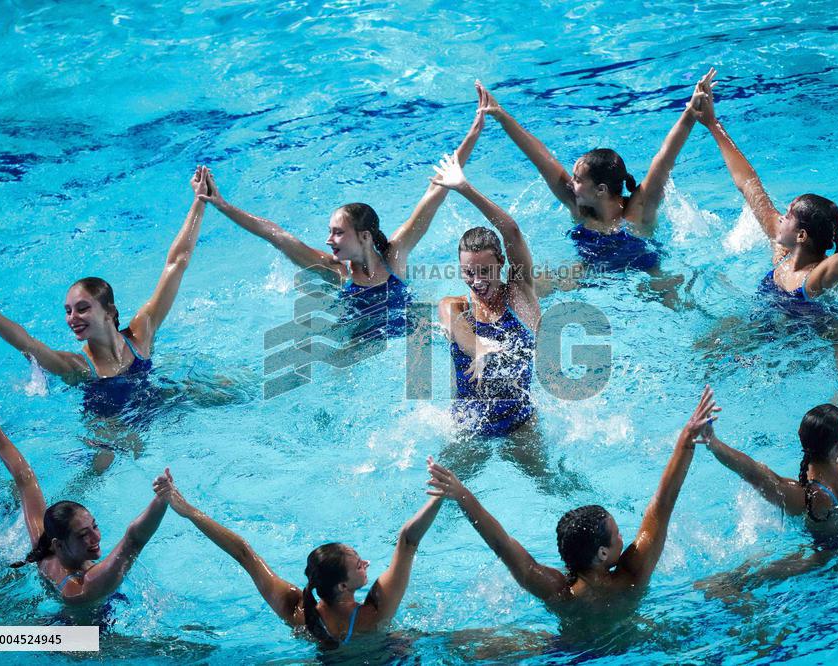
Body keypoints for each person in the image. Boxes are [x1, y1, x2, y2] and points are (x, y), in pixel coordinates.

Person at [198, 90, 487, 336]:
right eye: (330, 232)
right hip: (360, 345)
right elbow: (277, 236)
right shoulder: (335, 272)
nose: (329, 240)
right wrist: (222, 205)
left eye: (337, 232)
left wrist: (474, 132)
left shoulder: (394, 256)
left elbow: (436, 191)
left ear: (363, 236)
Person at [426, 388, 718, 609]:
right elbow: (662, 505)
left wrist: (462, 494)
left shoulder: (558, 593)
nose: (622, 538)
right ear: (603, 553)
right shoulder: (632, 577)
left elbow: (502, 545)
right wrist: (686, 441)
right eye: (616, 534)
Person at [0, 166, 210, 419]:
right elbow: (28, 345)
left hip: (152, 406)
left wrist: (200, 201)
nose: (72, 318)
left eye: (82, 308)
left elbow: (176, 263)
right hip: (108, 432)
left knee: (226, 388)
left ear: (109, 312)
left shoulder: (141, 334)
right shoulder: (79, 368)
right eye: (68, 311)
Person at [474, 70, 715, 301]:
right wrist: (501, 115)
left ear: (600, 189)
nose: (571, 183)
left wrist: (690, 113)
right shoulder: (579, 208)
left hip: (644, 277)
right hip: (592, 274)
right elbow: (542, 159)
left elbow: (663, 161)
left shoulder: (637, 211)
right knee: (533, 282)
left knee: (674, 292)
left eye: (578, 180)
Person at [690, 77, 838, 307]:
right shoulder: (782, 250)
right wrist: (713, 123)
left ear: (801, 235)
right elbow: (749, 184)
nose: (780, 217)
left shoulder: (815, 278)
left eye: (788, 215)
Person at [701, 279, 838, 532]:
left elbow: (753, 472)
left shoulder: (805, 498)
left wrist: (712, 442)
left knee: (754, 572)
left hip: (827, 561)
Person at [160, 469, 442, 648]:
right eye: (358, 564)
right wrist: (439, 496)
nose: (365, 563)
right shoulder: (372, 614)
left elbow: (243, 554)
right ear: (343, 586)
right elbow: (408, 540)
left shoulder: (297, 611)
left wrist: (189, 511)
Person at [0, 387, 170, 607]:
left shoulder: (44, 550)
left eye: (94, 526)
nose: (96, 538)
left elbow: (25, 479)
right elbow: (133, 540)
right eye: (83, 535)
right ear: (59, 545)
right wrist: (163, 499)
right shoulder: (83, 586)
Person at [431, 153, 540, 438]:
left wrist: (464, 189)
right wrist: (479, 349)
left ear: (501, 262)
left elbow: (512, 232)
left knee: (551, 483)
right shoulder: (453, 305)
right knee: (442, 483)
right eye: (468, 273)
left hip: (519, 422)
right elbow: (459, 330)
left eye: (484, 271)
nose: (477, 282)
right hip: (467, 424)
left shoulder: (519, 296)